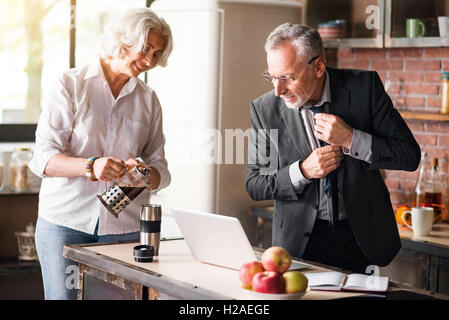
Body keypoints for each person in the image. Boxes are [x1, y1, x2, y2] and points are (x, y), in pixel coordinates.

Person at [246, 23, 420, 273]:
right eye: (272, 77)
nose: (278, 90)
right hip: (298, 245)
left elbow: (409, 155)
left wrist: (352, 139)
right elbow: (254, 183)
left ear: (318, 67)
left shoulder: (365, 89)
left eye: (288, 78)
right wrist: (302, 171)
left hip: (361, 239)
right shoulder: (264, 109)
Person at [29, 8, 173, 300]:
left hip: (124, 227)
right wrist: (91, 167)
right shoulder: (71, 84)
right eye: (145, 48)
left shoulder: (148, 100)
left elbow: (160, 169)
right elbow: (43, 158)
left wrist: (145, 173)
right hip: (65, 223)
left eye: (157, 54)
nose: (149, 61)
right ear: (123, 40)